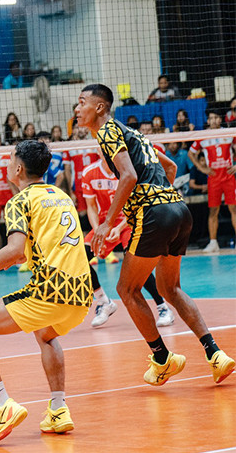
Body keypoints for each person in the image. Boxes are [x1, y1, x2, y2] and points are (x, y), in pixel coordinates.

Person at [75, 84, 233, 386]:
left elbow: (129, 176)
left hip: (155, 215)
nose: (77, 109)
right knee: (170, 288)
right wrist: (157, 201)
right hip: (178, 209)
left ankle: (162, 359)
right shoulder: (134, 134)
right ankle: (215, 354)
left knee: (126, 289)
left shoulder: (107, 131)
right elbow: (170, 167)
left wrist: (109, 222)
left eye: (82, 102)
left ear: (99, 107)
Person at [0, 140, 92, 446]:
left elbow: (14, 253)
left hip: (49, 292)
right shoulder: (60, 195)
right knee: (46, 335)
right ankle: (58, 408)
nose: (6, 163)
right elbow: (32, 250)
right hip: (82, 295)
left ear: (19, 168)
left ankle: (2, 405)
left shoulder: (20, 201)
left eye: (9, 159)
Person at [81, 156, 174, 329]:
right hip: (105, 223)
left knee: (136, 263)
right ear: (98, 150)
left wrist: (119, 227)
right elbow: (91, 207)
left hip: (129, 221)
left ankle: (163, 307)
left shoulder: (128, 171)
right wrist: (100, 230)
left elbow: (138, 204)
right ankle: (103, 301)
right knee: (78, 260)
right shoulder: (89, 173)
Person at [187, 111, 235, 253]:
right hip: (213, 178)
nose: (214, 120)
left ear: (220, 119)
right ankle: (213, 242)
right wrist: (202, 168)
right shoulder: (203, 136)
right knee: (213, 210)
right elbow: (191, 153)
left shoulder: (229, 133)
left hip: (228, 177)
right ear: (208, 120)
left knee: (234, 209)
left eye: (216, 117)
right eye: (211, 118)